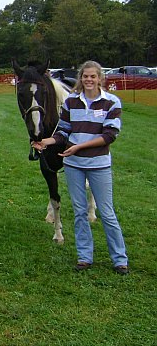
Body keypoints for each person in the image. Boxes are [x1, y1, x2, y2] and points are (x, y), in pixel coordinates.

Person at [32, 60, 128, 274]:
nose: (89, 80)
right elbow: (63, 131)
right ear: (80, 79)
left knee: (107, 212)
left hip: (99, 164)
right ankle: (85, 257)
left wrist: (78, 147)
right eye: (85, 76)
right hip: (74, 165)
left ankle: (120, 259)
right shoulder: (71, 102)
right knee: (79, 212)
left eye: (93, 76)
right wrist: (46, 142)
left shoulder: (112, 102)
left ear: (100, 78)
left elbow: (109, 136)